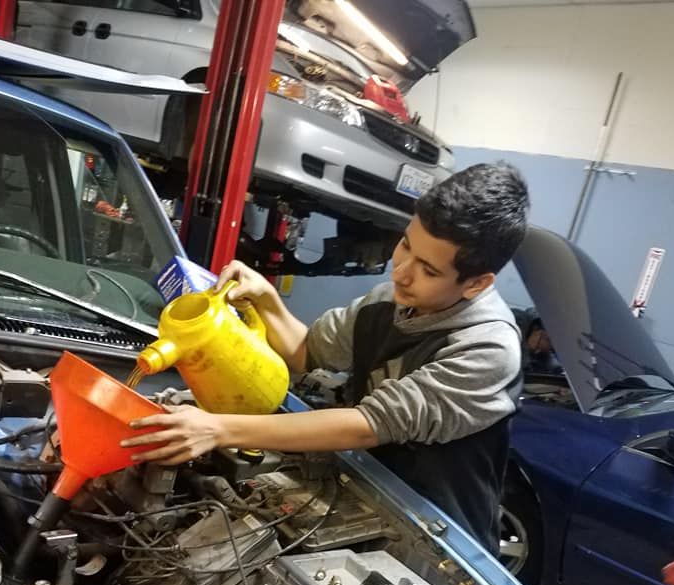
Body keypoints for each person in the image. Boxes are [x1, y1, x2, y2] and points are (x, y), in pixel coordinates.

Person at [121, 162, 529, 555]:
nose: (400, 272)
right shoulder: (387, 302)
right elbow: (307, 352)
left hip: (438, 540)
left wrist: (216, 429)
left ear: (476, 283)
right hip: (364, 495)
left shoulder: (488, 347)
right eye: (406, 244)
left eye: (428, 269)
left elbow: (369, 426)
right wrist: (265, 298)